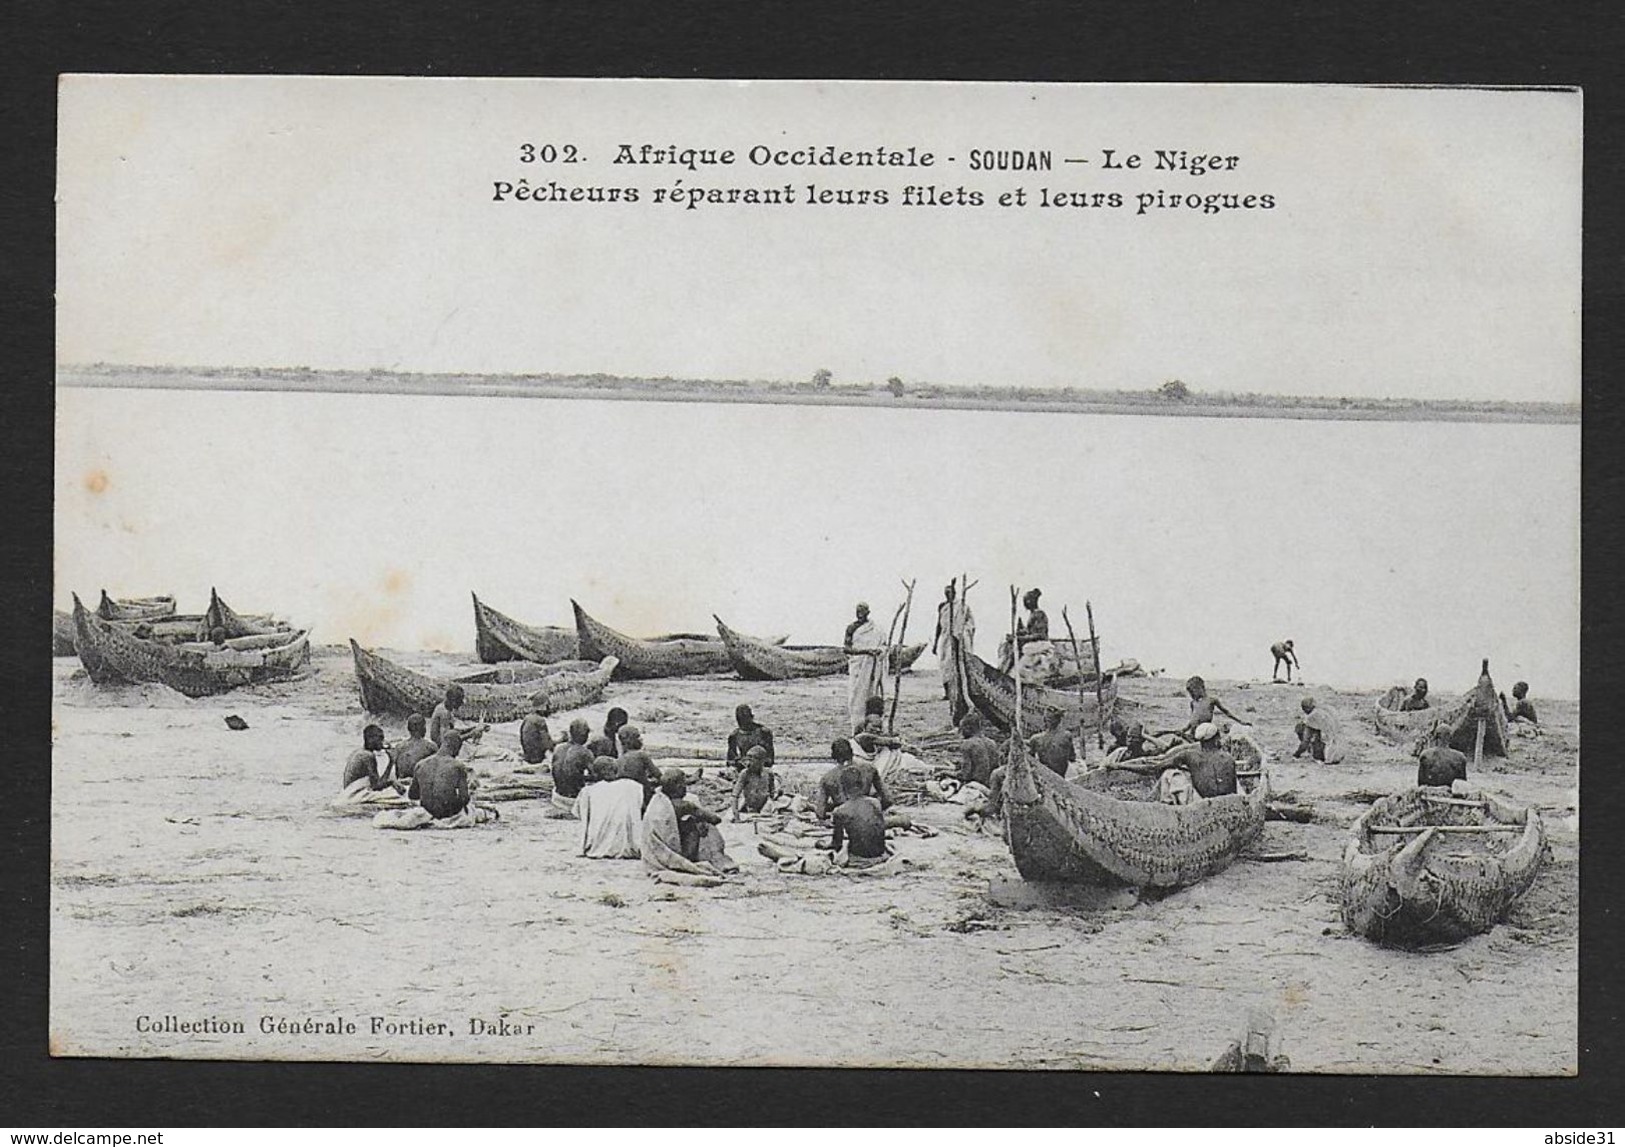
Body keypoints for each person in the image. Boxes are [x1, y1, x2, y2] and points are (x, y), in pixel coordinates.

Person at [1115, 722, 1238, 803]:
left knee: (1169, 773)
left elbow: (1153, 768)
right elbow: (1233, 789)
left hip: (1201, 803)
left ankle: (1166, 804)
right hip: (1227, 802)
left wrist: (1119, 766)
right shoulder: (1229, 758)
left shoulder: (1190, 754)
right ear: (1217, 739)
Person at [642, 770, 726, 884]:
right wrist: (699, 819)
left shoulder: (658, 801)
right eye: (684, 784)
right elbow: (715, 819)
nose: (685, 787)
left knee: (689, 821)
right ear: (678, 786)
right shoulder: (684, 805)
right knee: (697, 824)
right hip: (671, 853)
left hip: (656, 855)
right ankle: (708, 859)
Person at [575, 756, 644, 859]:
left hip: (597, 844)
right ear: (616, 771)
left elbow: (579, 814)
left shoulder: (588, 791)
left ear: (596, 773)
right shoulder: (632, 786)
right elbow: (641, 809)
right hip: (627, 846)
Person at [815, 738, 893, 820]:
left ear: (833, 756)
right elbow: (887, 799)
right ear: (852, 752)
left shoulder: (827, 778)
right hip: (867, 811)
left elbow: (820, 812)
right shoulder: (869, 768)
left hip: (844, 817)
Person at [932, 581, 976, 721]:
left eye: (950, 593)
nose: (948, 596)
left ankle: (962, 692)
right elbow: (938, 626)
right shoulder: (942, 607)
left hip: (958, 640)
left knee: (959, 666)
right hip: (946, 639)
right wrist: (935, 643)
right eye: (946, 593)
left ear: (955, 593)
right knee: (945, 666)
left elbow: (971, 623)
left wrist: (962, 634)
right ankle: (947, 693)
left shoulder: (962, 606)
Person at [843, 602, 888, 733]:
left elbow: (884, 646)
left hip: (873, 668)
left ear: (868, 612)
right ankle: (857, 726)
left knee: (872, 697)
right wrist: (865, 652)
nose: (860, 614)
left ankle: (872, 726)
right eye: (858, 612)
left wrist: (880, 651)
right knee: (855, 697)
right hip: (858, 667)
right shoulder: (851, 628)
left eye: (862, 611)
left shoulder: (876, 629)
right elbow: (846, 649)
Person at [1159, 676, 1250, 738]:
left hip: (1204, 733)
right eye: (1190, 693)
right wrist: (1184, 729)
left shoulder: (1211, 700)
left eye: (1192, 692)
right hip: (1193, 733)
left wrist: (1241, 722)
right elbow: (1192, 720)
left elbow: (1227, 713)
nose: (1191, 695)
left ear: (1200, 688)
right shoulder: (1193, 703)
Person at [409, 731, 471, 819]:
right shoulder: (457, 766)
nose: (457, 753)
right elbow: (464, 798)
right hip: (447, 813)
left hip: (426, 811)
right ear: (456, 746)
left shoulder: (420, 764)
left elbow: (412, 795)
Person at [550, 718, 595, 801]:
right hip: (574, 797)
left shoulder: (558, 748)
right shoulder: (585, 752)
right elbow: (595, 775)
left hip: (557, 794)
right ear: (585, 735)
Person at [1292, 696, 1346, 764]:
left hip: (1329, 753)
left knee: (1312, 737)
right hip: (1340, 747)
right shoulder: (1324, 709)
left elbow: (1305, 741)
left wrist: (1296, 754)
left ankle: (1320, 756)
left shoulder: (1311, 717)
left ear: (1306, 708)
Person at [731, 745, 781, 819]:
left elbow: (772, 793)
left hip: (765, 807)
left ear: (761, 761)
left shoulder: (768, 773)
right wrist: (736, 814)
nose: (748, 763)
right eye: (748, 759)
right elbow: (735, 796)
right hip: (750, 807)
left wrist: (776, 796)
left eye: (752, 760)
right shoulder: (745, 774)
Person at [615, 725, 661, 802]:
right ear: (632, 739)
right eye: (638, 737)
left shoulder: (619, 759)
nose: (641, 740)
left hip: (624, 794)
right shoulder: (641, 755)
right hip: (641, 792)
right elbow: (657, 774)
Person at [342, 724, 394, 791]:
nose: (382, 742)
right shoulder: (368, 756)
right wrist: (391, 761)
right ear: (370, 739)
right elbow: (377, 786)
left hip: (350, 791)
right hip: (354, 794)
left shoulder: (359, 752)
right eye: (380, 738)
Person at [1027, 708, 1076, 778]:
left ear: (1045, 720)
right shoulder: (1067, 736)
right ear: (1059, 720)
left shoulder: (1035, 739)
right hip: (1061, 776)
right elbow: (1072, 757)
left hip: (1044, 776)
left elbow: (1030, 761)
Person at [391, 714, 438, 784]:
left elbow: (397, 772)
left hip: (402, 782)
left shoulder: (399, 747)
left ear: (408, 729)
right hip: (420, 784)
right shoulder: (430, 746)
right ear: (424, 728)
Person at [956, 714, 1001, 787]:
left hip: (976, 785)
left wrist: (947, 773)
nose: (961, 733)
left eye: (961, 729)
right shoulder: (992, 743)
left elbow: (965, 774)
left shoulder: (968, 744)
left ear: (968, 728)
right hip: (991, 785)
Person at [726, 704, 776, 769]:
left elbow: (770, 759)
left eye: (745, 719)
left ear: (751, 717)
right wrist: (739, 762)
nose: (743, 723)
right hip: (743, 768)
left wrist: (757, 762)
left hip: (761, 768)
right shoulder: (734, 735)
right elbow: (730, 760)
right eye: (740, 720)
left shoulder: (764, 733)